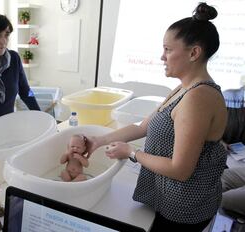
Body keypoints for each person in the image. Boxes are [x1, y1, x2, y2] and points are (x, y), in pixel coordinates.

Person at [86, 3, 227, 231]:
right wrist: (98, 140)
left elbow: (180, 169)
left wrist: (131, 152)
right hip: (166, 199)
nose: (162, 57)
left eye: (168, 50)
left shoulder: (198, 98)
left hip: (183, 211)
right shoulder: (184, 89)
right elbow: (143, 127)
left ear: (194, 53)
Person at [220, 87, 245, 216]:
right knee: (216, 181)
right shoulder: (229, 97)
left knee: (225, 200)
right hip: (238, 162)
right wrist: (219, 140)